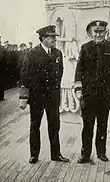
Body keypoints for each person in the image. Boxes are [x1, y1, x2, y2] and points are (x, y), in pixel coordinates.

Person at [19, 25, 70, 164]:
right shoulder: (32, 53)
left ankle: (56, 154)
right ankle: (34, 155)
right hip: (37, 97)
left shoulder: (58, 53)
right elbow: (24, 75)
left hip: (52, 97)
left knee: (54, 125)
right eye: (51, 37)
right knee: (35, 125)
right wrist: (24, 97)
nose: (54, 39)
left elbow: (60, 73)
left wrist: (55, 91)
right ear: (43, 38)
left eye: (54, 37)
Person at [74, 20, 110, 163]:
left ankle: (101, 152)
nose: (98, 34)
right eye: (96, 32)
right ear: (92, 33)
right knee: (87, 125)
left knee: (103, 124)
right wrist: (78, 90)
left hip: (105, 94)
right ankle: (85, 154)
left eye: (101, 31)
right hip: (88, 95)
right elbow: (79, 71)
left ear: (106, 32)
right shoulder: (85, 48)